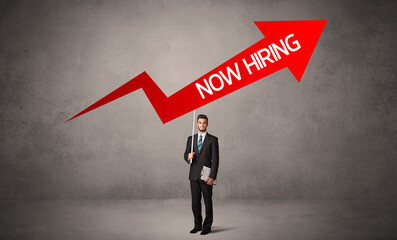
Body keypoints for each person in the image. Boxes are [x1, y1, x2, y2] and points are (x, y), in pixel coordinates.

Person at [184, 114, 219, 235]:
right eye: (200, 122)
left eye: (204, 123)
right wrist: (188, 157)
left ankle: (207, 226)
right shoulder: (191, 139)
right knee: (195, 202)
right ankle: (197, 225)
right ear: (197, 124)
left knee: (207, 202)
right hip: (194, 176)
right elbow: (185, 155)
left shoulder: (213, 140)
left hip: (206, 177)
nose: (202, 125)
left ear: (207, 124)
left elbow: (215, 160)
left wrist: (212, 176)